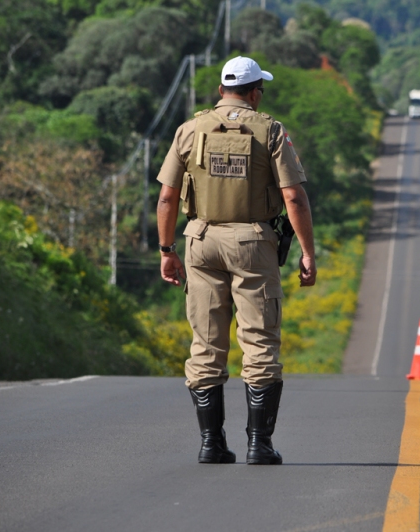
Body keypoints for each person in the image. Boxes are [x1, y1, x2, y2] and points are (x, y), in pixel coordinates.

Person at [156, 56, 317, 465]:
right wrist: (307, 252)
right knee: (259, 343)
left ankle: (212, 444)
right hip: (252, 243)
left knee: (206, 344)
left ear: (222, 90)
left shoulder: (190, 130)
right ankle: (258, 445)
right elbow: (294, 196)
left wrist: (166, 250)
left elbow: (167, 197)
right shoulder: (271, 131)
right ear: (255, 92)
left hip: (201, 239)